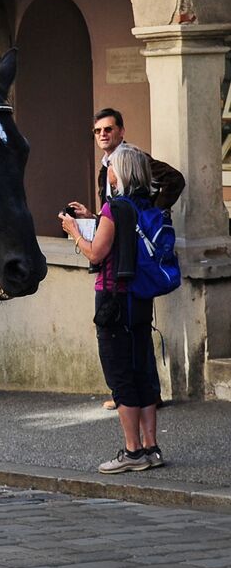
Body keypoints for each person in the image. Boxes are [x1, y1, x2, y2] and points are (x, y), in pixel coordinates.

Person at [69, 108, 184, 411]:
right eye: (98, 131)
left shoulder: (132, 159)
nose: (103, 135)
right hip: (119, 259)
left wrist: (152, 214)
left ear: (121, 131)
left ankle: (139, 398)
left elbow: (174, 180)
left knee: (131, 334)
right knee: (131, 333)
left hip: (131, 266)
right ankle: (133, 396)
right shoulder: (104, 168)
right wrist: (93, 218)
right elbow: (116, 219)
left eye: (109, 129)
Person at [60, 145, 164, 473]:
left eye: (113, 169)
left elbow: (96, 253)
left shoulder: (114, 207)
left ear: (121, 173)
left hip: (113, 298)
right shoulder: (146, 204)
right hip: (140, 296)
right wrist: (94, 219)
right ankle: (151, 447)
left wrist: (75, 232)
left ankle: (132, 452)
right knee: (143, 368)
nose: (109, 174)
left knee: (120, 373)